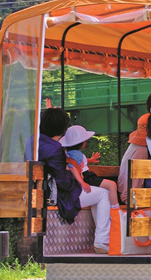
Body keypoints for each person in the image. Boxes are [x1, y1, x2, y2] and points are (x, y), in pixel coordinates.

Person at [38, 108, 111, 254]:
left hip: (40, 192)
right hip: (57, 196)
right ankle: (102, 241)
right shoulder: (54, 148)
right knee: (103, 193)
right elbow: (64, 182)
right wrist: (78, 180)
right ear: (62, 128)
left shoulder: (35, 142)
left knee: (97, 194)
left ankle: (102, 239)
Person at [61, 125, 120, 209]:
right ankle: (116, 210)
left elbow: (78, 161)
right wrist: (82, 182)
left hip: (85, 177)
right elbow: (72, 167)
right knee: (112, 185)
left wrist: (90, 160)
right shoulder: (77, 154)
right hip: (86, 177)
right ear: (83, 143)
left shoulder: (71, 153)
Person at [118, 113, 150, 204]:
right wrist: (133, 200)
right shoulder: (142, 150)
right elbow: (136, 182)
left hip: (127, 193)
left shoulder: (135, 147)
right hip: (130, 197)